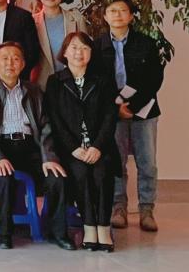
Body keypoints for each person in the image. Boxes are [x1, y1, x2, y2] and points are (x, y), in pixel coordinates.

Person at [0, 41, 73, 250]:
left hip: (31, 148)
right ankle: (4, 233)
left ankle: (57, 233)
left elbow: (46, 127)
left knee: (57, 177)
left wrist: (48, 157)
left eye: (15, 58)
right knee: (3, 177)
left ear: (23, 64)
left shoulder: (35, 91)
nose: (10, 63)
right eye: (4, 59)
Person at [95, 0, 166, 232]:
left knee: (147, 162)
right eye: (113, 11)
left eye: (123, 11)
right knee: (117, 163)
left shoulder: (146, 43)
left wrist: (131, 107)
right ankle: (119, 208)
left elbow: (154, 79)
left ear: (131, 16)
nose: (118, 15)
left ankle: (146, 210)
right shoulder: (97, 46)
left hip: (144, 111)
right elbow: (97, 82)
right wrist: (115, 108)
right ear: (105, 16)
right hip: (112, 113)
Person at [45, 32, 121, 252]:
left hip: (100, 147)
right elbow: (55, 120)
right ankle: (89, 226)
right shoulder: (55, 82)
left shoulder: (103, 80)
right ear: (65, 52)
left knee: (102, 172)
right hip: (71, 150)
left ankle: (103, 227)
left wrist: (97, 146)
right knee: (80, 173)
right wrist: (73, 148)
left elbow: (110, 116)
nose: (79, 52)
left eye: (85, 48)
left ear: (91, 53)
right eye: (74, 47)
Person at [31, 0, 88, 90]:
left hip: (73, 84)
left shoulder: (76, 19)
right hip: (42, 85)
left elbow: (86, 52)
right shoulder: (31, 22)